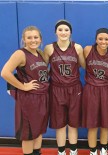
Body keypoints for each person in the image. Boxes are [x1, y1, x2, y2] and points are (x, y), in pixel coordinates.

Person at [1, 26, 49, 155]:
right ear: (24, 39)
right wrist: (23, 86)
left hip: (42, 97)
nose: (33, 40)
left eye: (36, 37)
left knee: (39, 130)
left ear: (40, 39)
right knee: (28, 134)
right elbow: (5, 73)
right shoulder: (20, 54)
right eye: (29, 38)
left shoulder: (40, 53)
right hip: (29, 99)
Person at [43, 19, 85, 155]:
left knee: (73, 123)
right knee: (59, 124)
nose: (63, 32)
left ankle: (73, 151)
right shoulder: (49, 48)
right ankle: (61, 151)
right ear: (55, 32)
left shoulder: (77, 47)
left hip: (74, 89)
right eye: (60, 29)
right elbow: (42, 69)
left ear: (70, 32)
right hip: (56, 89)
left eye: (66, 30)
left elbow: (84, 65)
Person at [82, 28, 108, 155]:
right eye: (100, 39)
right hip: (91, 89)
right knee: (92, 124)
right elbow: (83, 65)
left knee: (105, 123)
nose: (103, 41)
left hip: (106, 90)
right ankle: (93, 151)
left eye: (106, 39)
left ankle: (103, 150)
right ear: (95, 39)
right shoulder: (88, 50)